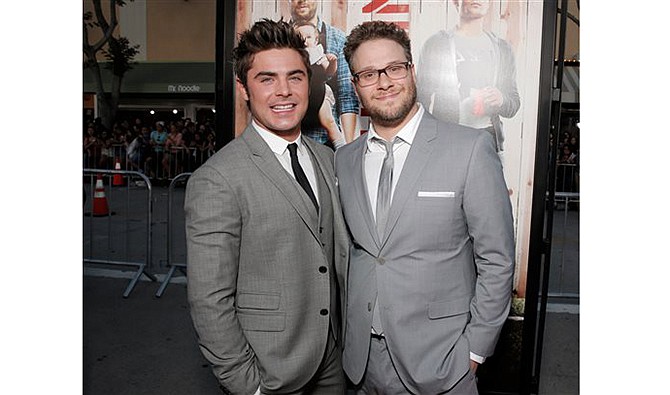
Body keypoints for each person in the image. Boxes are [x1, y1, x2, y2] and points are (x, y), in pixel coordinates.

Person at [336, 21, 515, 394]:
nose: (384, 82)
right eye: (368, 74)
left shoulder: (468, 149)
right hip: (361, 362)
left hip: (443, 362)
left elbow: (496, 259)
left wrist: (475, 350)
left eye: (394, 68)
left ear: (412, 71)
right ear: (355, 86)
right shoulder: (345, 160)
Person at [184, 18, 349, 395]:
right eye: (267, 79)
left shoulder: (326, 159)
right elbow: (210, 299)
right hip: (269, 370)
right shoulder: (218, 179)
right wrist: (249, 386)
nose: (284, 92)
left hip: (332, 361)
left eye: (295, 76)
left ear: (309, 82)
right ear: (244, 89)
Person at [416, 0, 520, 159]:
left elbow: (513, 104)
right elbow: (421, 100)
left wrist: (501, 100)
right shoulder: (436, 44)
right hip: (447, 141)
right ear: (455, 2)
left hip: (488, 142)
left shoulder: (502, 49)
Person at [289, 0, 359, 146]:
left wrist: (348, 149)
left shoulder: (336, 38)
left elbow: (346, 96)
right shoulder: (274, 37)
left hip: (324, 142)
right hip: (285, 140)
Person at [294, 21, 345, 150]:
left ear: (316, 40)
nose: (304, 41)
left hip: (319, 91)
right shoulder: (294, 56)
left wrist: (333, 62)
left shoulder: (316, 53)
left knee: (328, 121)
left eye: (309, 37)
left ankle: (341, 148)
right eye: (300, 37)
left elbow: (329, 72)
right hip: (304, 94)